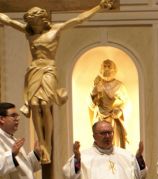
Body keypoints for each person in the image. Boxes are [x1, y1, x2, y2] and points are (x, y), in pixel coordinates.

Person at [0, 0, 113, 163]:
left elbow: (79, 19)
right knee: (35, 105)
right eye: (31, 23)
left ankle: (49, 144)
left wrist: (99, 7)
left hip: (48, 70)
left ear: (42, 20)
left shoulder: (55, 30)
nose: (33, 25)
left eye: (36, 22)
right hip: (34, 70)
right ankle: (42, 142)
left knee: (45, 104)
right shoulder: (29, 32)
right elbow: (8, 21)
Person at [89, 59, 129, 148]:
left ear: (114, 70)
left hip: (113, 120)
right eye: (104, 66)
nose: (106, 69)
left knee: (114, 143)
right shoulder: (98, 85)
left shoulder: (119, 85)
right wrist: (95, 91)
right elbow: (92, 105)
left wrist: (119, 111)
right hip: (100, 118)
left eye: (109, 67)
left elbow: (125, 104)